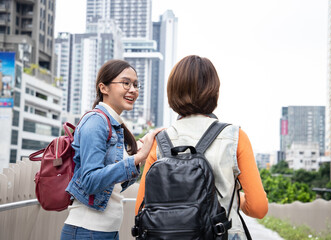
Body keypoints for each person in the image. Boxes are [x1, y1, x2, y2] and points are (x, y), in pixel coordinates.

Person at [135, 55, 268, 239]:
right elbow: (258, 208)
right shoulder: (235, 137)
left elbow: (141, 209)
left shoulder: (160, 141)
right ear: (214, 91)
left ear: (172, 92)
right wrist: (237, 198)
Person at [61, 59, 162, 240]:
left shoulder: (114, 125)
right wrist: (138, 157)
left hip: (105, 231)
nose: (133, 90)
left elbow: (112, 186)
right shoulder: (96, 121)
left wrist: (139, 149)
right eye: (125, 83)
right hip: (87, 231)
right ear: (104, 88)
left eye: (136, 85)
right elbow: (90, 181)